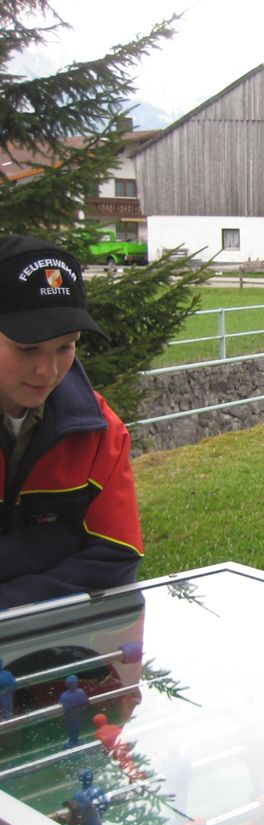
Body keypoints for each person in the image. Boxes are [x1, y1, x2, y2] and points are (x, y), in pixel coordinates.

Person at [0, 236, 143, 610]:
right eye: (27, 348)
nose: (48, 371)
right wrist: (57, 542)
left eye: (66, 346)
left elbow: (117, 560)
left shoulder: (101, 433)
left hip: (62, 656)